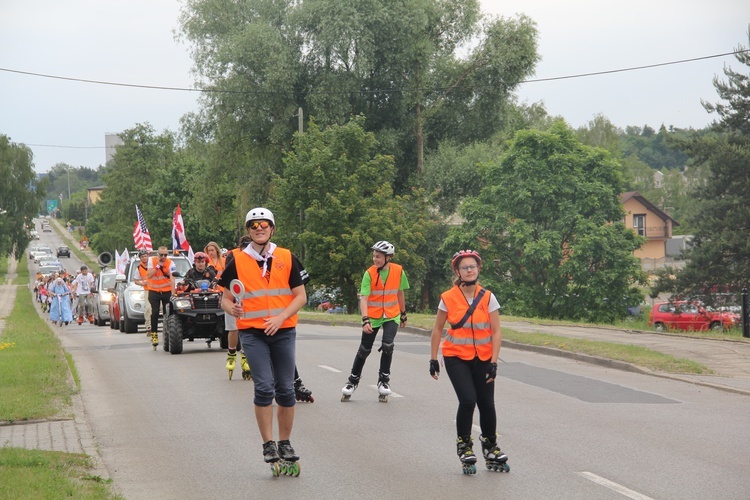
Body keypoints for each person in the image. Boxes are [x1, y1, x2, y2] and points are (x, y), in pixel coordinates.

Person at [219, 207, 308, 473]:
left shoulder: (286, 257)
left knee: (286, 389)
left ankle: (285, 442)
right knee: (264, 388)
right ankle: (268, 443)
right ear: (248, 231)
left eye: (264, 224)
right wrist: (230, 308)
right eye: (254, 225)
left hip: (283, 331)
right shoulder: (236, 260)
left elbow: (300, 296)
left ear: (272, 228)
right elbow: (224, 297)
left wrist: (280, 319)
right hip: (253, 333)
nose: (259, 228)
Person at [429, 250, 508, 474]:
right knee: (468, 400)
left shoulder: (488, 297)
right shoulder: (448, 297)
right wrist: (433, 358)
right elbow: (437, 330)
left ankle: (491, 447)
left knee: (487, 403)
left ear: (478, 268)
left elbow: (496, 331)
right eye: (465, 267)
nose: (470, 270)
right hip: (455, 357)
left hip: (483, 358)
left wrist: (494, 361)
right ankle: (464, 446)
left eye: (473, 266)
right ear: (457, 271)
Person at [341, 240, 409, 402]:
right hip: (373, 316)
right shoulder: (369, 273)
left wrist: (403, 313)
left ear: (388, 257)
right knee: (364, 349)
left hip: (392, 314)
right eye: (374, 256)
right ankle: (352, 381)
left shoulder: (399, 271)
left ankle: (384, 381)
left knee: (388, 346)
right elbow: (364, 299)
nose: (375, 259)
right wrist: (365, 320)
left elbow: (400, 293)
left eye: (378, 256)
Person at [146, 246, 176, 350]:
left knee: (167, 313)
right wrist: (158, 266)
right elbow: (149, 275)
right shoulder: (151, 260)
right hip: (154, 291)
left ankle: (167, 334)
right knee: (154, 313)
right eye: (161, 255)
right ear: (157, 254)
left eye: (165, 255)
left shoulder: (171, 263)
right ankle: (154, 335)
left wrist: (173, 293)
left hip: (166, 291)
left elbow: (173, 279)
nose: (163, 257)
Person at [133, 249, 152, 336]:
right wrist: (142, 283)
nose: (144, 258)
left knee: (162, 308)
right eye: (142, 257)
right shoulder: (139, 268)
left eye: (145, 256)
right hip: (147, 290)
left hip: (158, 289)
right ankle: (148, 327)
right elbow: (136, 280)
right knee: (148, 308)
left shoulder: (154, 265)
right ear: (140, 258)